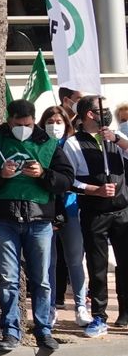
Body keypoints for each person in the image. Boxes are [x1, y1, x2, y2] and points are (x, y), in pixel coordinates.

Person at [0, 98, 72, 352]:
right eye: (18, 124)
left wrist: (44, 175)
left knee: (42, 280)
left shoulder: (48, 144)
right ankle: (10, 331)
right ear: (9, 120)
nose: (22, 128)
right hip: (5, 219)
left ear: (33, 120)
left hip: (39, 220)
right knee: (8, 279)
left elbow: (66, 180)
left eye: (27, 124)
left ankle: (44, 330)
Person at [61, 95, 128, 337]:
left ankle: (125, 311)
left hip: (122, 211)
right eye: (103, 109)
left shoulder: (115, 137)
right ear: (90, 113)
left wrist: (118, 140)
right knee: (97, 266)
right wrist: (94, 190)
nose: (107, 113)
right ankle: (99, 316)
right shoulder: (73, 143)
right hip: (94, 213)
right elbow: (68, 180)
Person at [41, 105, 89, 326]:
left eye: (59, 122)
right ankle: (49, 308)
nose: (54, 126)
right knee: (48, 263)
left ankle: (81, 306)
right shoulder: (38, 146)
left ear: (67, 124)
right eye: (50, 122)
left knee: (75, 260)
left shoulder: (73, 145)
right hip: (44, 211)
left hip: (70, 210)